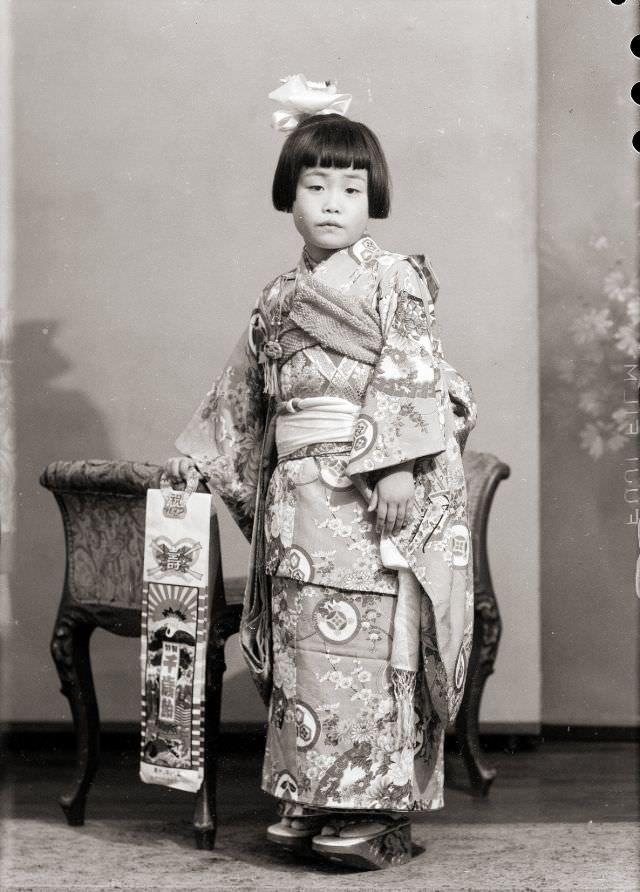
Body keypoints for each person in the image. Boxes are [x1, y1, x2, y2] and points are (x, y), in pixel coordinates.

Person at [165, 75, 477, 871]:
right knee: (308, 645)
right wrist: (200, 458)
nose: (334, 201)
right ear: (289, 195)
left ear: (373, 198)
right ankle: (313, 792)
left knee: (370, 646)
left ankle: (372, 805)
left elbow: (418, 373)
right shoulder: (276, 300)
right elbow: (241, 400)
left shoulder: (394, 278)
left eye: (351, 186)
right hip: (295, 498)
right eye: (316, 185)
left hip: (372, 494)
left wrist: (400, 463)